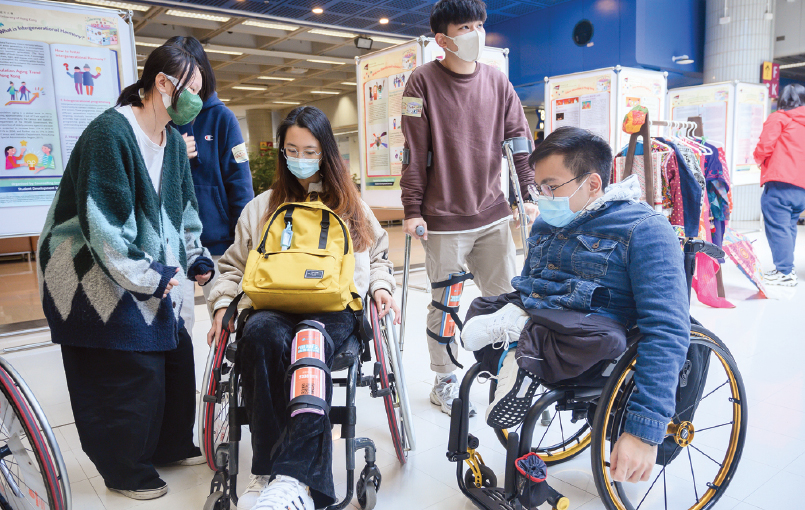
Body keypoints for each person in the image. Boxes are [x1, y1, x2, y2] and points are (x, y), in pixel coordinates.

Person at [460, 126, 690, 485]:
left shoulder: (644, 228)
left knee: (603, 338)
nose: (544, 197)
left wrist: (644, 430)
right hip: (541, 316)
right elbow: (528, 284)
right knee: (480, 307)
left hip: (589, 331)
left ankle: (521, 343)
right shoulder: (546, 223)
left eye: (552, 187)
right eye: (539, 188)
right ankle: (519, 346)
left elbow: (667, 329)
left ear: (593, 184)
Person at [37, 44, 214, 500]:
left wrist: (195, 255)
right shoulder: (110, 133)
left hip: (140, 264)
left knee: (176, 352)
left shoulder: (173, 144)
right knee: (128, 363)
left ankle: (170, 445)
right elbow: (104, 227)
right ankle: (124, 469)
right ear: (162, 83)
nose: (196, 99)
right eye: (191, 89)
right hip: (85, 267)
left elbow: (185, 214)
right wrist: (150, 275)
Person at [207, 106, 398, 510]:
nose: (300, 158)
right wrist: (222, 304)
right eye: (291, 150)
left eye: (310, 151)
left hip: (334, 307)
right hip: (272, 305)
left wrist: (381, 287)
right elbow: (232, 268)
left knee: (307, 343)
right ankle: (269, 473)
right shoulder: (262, 208)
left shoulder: (351, 206)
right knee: (260, 335)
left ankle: (293, 479)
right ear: (282, 152)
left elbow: (379, 256)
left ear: (326, 153)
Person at [400, 0, 538, 416]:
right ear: (442, 40)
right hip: (443, 221)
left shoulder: (497, 82)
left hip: (493, 215)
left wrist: (528, 195)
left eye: (479, 24)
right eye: (465, 27)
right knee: (445, 305)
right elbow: (413, 152)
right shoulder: (421, 82)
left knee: (506, 303)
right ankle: (444, 380)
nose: (476, 33)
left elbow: (519, 143)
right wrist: (411, 209)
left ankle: (507, 377)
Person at [166, 35, 254, 334]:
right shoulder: (162, 117)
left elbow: (239, 181)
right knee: (177, 324)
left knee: (226, 319)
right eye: (177, 75)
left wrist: (245, 239)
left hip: (218, 242)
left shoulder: (222, 118)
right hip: (172, 242)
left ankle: (226, 364)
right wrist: (173, 152)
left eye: (191, 74)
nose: (185, 83)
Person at [753, 83, 805, 287]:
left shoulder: (779, 118)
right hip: (801, 186)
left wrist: (758, 160)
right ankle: (786, 268)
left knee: (778, 228)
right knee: (789, 227)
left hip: (780, 182)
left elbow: (764, 146)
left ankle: (784, 272)